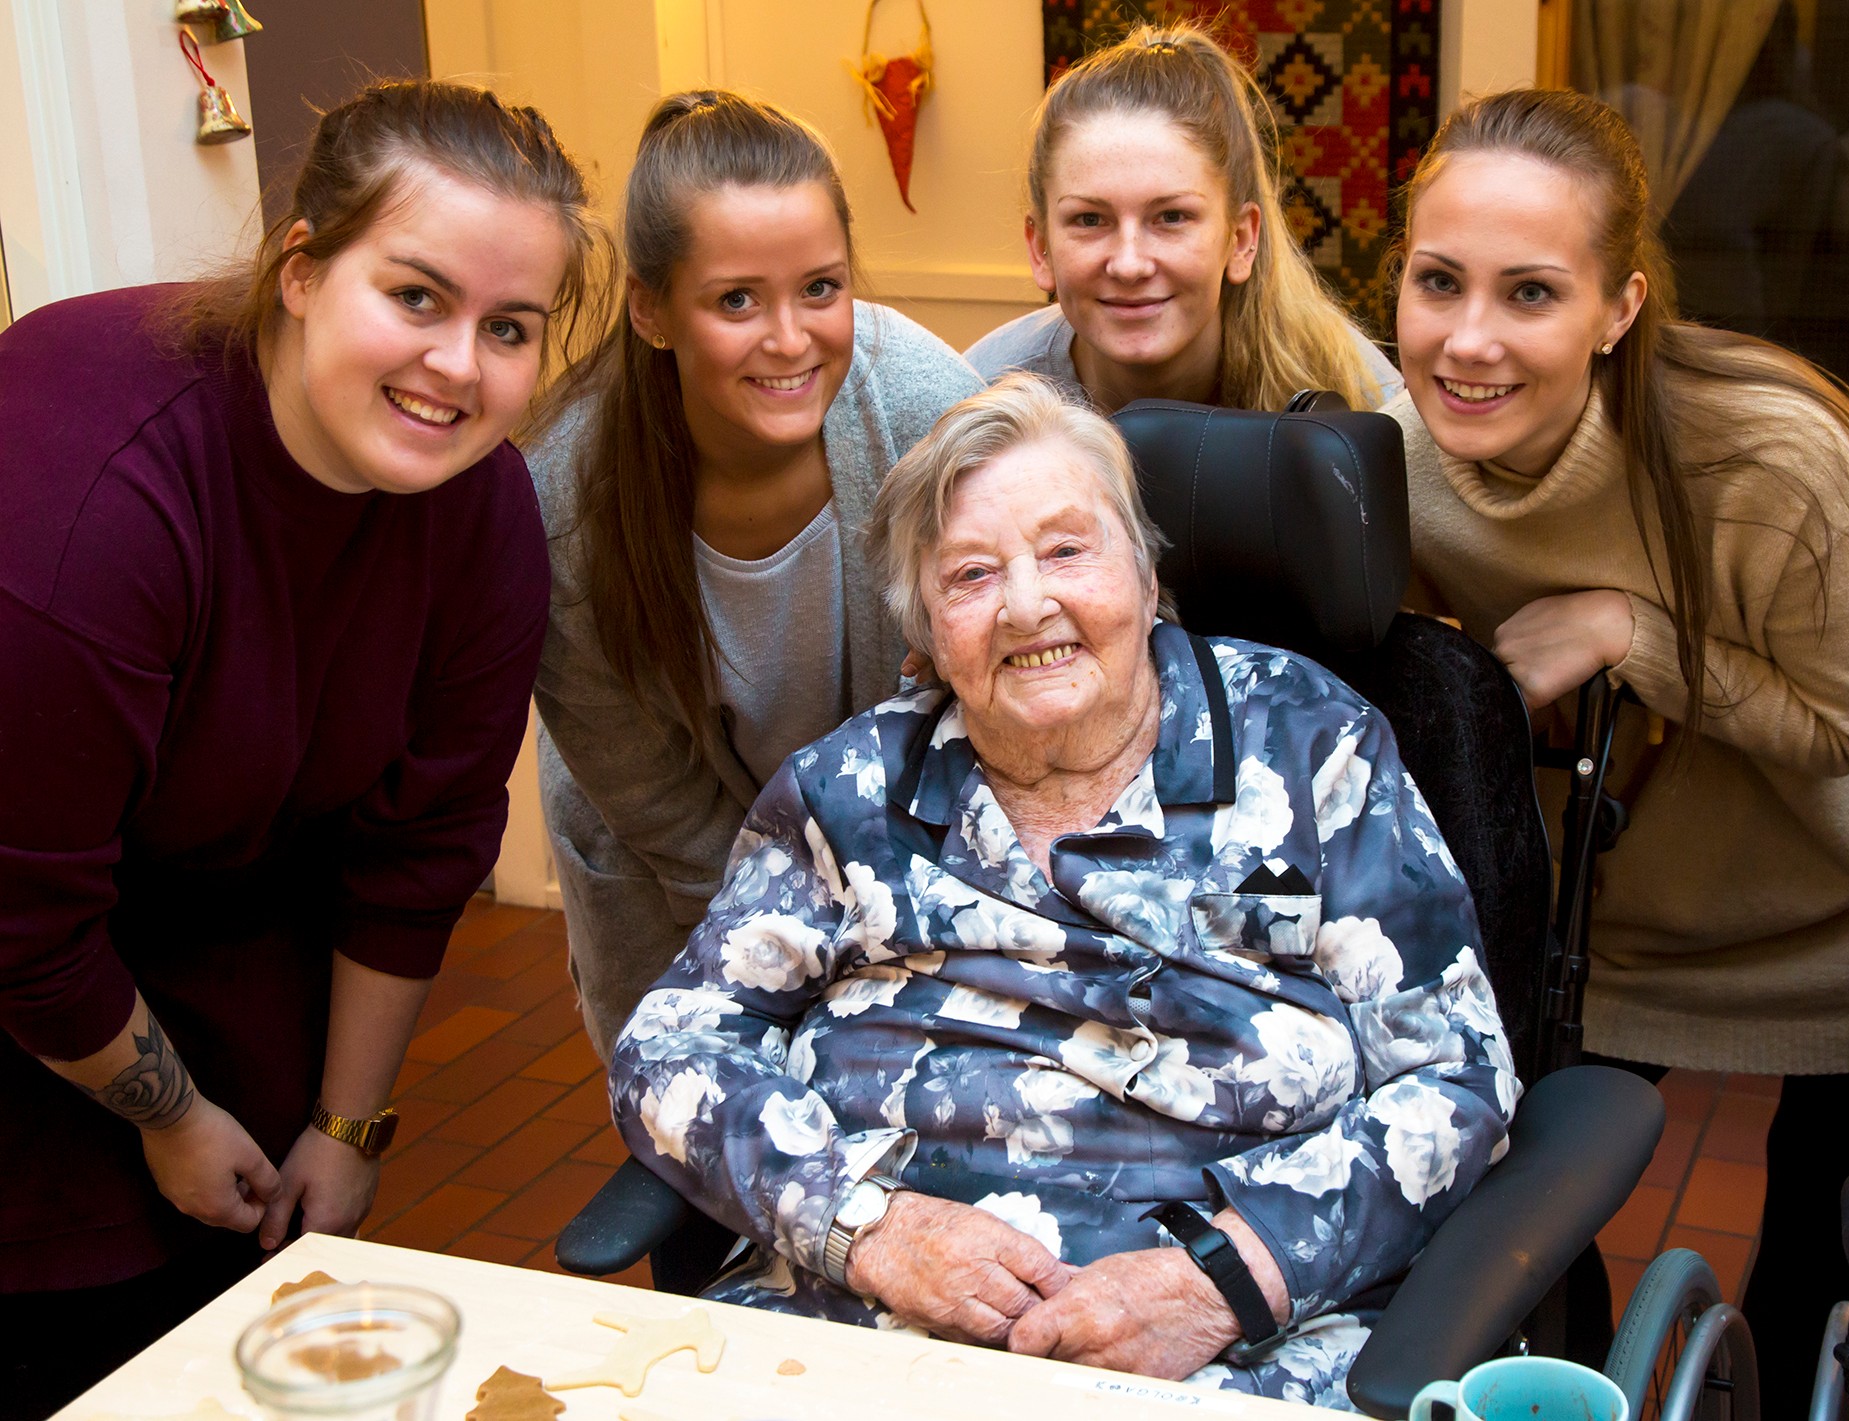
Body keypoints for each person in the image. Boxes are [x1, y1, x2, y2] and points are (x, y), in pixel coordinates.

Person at [609, 374, 1517, 1408]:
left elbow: (1456, 1078)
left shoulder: (1307, 743)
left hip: (1225, 1352)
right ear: (928, 628)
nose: (1027, 602)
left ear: (1143, 568)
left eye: (1067, 549)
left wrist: (1222, 1281)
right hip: (856, 1330)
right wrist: (862, 1222)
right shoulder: (849, 790)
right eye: (972, 573)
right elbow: (671, 1044)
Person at [1383, 86, 1849, 1413]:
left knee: (1809, 1245)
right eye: (1437, 282)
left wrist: (1634, 631)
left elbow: (1844, 729)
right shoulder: (1399, 453)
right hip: (1649, 893)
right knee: (1534, 1193)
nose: (1468, 340)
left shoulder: (1772, 452)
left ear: (1621, 306)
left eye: (1532, 294)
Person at [0, 81, 599, 1417]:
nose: (459, 365)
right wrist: (166, 1115)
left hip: (234, 978)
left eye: (509, 328)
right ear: (302, 268)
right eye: (417, 296)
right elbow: (25, 917)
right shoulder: (93, 493)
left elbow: (425, 843)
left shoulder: (485, 512)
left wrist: (346, 1123)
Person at [530, 91, 981, 1059]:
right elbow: (658, 804)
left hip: (904, 866)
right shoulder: (562, 503)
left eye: (820, 288)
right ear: (650, 309)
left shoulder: (923, 408)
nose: (789, 338)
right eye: (736, 299)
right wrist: (794, 960)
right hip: (670, 885)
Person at [965, 22, 1400, 415]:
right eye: (1090, 220)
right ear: (1040, 249)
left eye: (1171, 217)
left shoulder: (1360, 398)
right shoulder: (978, 398)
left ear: (1242, 239)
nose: (1130, 265)